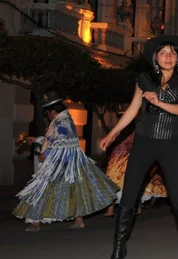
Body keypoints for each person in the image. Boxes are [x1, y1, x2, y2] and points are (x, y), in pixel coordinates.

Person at [99, 35, 178, 259]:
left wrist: (158, 100)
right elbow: (133, 110)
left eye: (172, 53)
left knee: (176, 195)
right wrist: (112, 134)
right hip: (143, 142)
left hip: (170, 143)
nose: (168, 56)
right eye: (163, 52)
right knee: (130, 192)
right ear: (156, 58)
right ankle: (119, 247)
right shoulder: (143, 80)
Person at [13, 92, 119, 231]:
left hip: (61, 163)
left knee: (42, 189)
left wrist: (47, 153)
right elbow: (56, 140)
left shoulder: (60, 122)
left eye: (47, 113)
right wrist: (38, 139)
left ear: (53, 111)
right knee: (73, 190)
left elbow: (60, 144)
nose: (47, 116)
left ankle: (35, 222)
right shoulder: (65, 120)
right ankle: (78, 220)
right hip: (70, 162)